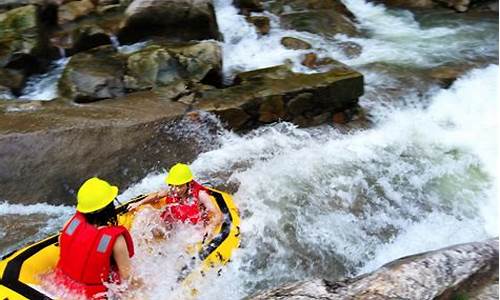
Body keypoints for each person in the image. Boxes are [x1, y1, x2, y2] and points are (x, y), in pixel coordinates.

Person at [55, 177, 138, 299]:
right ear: (109, 207)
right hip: (95, 295)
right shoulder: (116, 239)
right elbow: (128, 278)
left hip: (62, 284)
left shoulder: (70, 223)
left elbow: (62, 242)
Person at [128, 163, 223, 241]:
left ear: (188, 183)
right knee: (148, 222)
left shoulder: (200, 194)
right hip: (174, 223)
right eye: (173, 185)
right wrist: (138, 203)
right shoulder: (173, 190)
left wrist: (210, 227)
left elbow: (218, 214)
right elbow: (157, 196)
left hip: (192, 227)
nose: (176, 190)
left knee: (190, 239)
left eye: (179, 186)